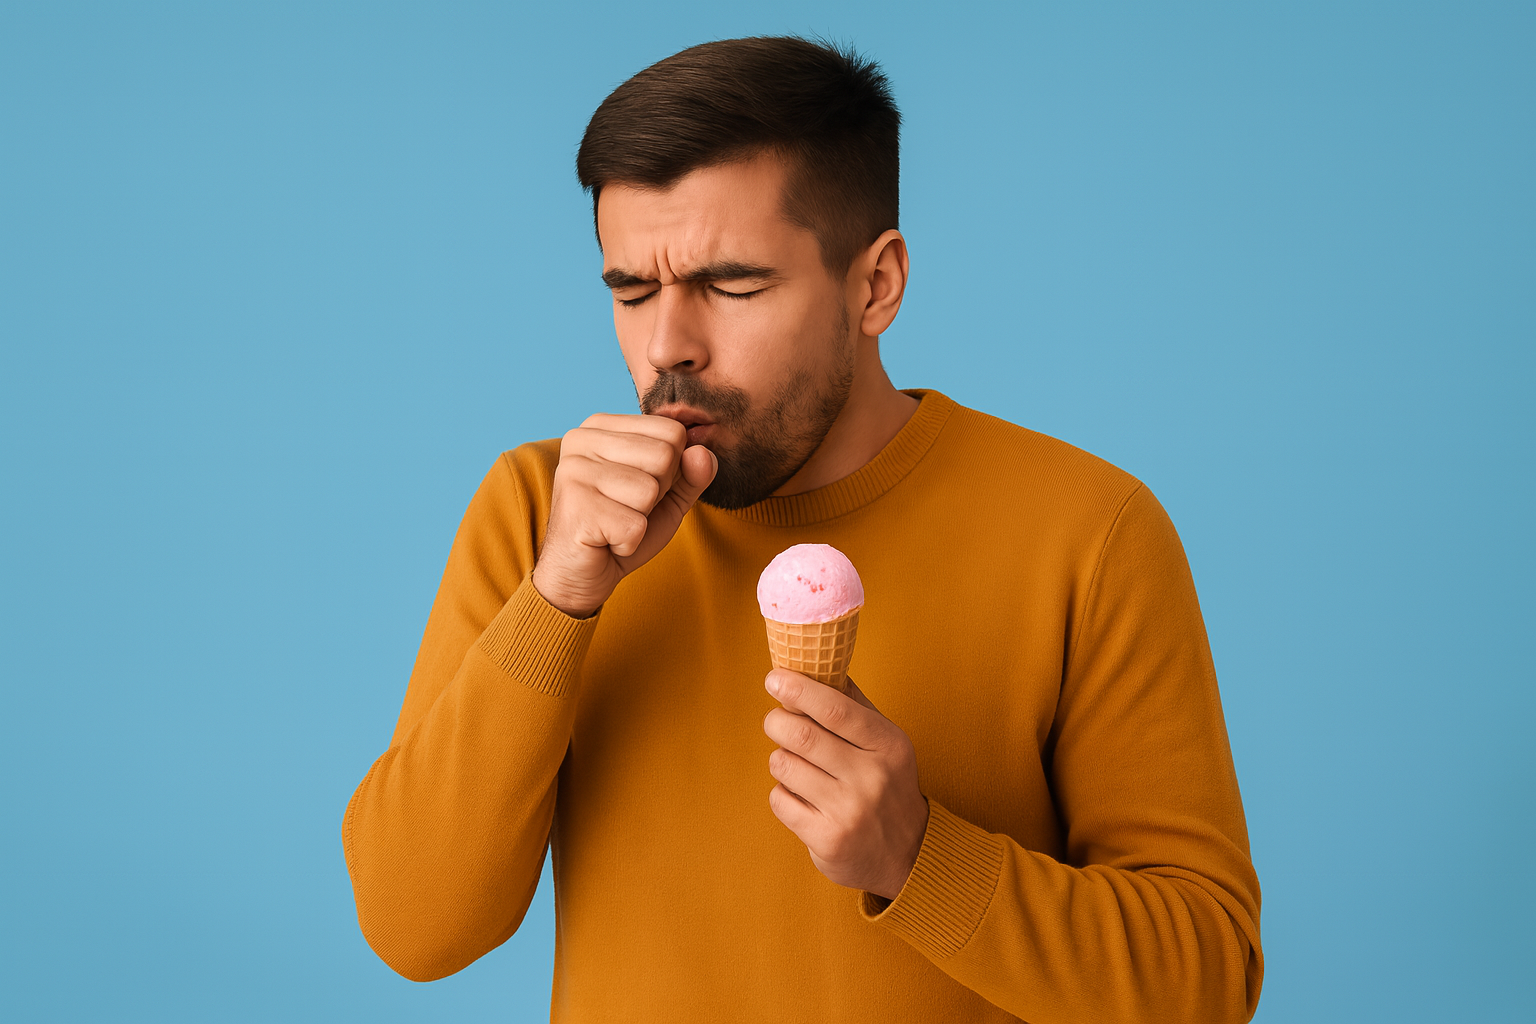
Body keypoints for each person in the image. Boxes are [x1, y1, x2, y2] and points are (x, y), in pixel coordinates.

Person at [342, 35, 1263, 1023]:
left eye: (732, 286)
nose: (667, 348)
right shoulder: (541, 512)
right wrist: (558, 600)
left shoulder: (1088, 530)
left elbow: (1203, 981)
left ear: (876, 286)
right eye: (631, 291)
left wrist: (919, 858)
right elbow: (416, 927)